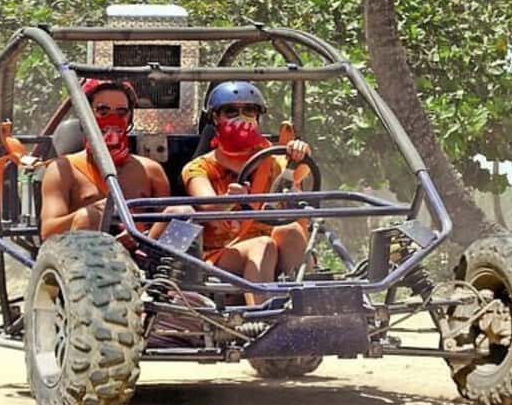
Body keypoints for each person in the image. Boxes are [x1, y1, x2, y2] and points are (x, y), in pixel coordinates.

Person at [181, 81, 311, 301]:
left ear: (257, 116)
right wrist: (228, 200)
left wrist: (300, 153)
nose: (241, 117)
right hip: (223, 254)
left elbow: (301, 172)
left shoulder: (276, 160)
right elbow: (207, 205)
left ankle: (308, 308)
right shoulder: (200, 167)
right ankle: (262, 316)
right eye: (231, 111)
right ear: (215, 118)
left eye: (249, 110)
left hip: (275, 250)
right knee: (262, 245)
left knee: (291, 231)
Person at [40, 78, 188, 241]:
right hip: (82, 252)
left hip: (141, 249)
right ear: (86, 115)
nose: (112, 119)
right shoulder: (64, 169)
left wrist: (139, 234)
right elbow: (48, 231)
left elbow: (163, 228)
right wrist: (89, 214)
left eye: (121, 112)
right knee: (88, 217)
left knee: (182, 212)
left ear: (130, 117)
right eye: (103, 111)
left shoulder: (151, 170)